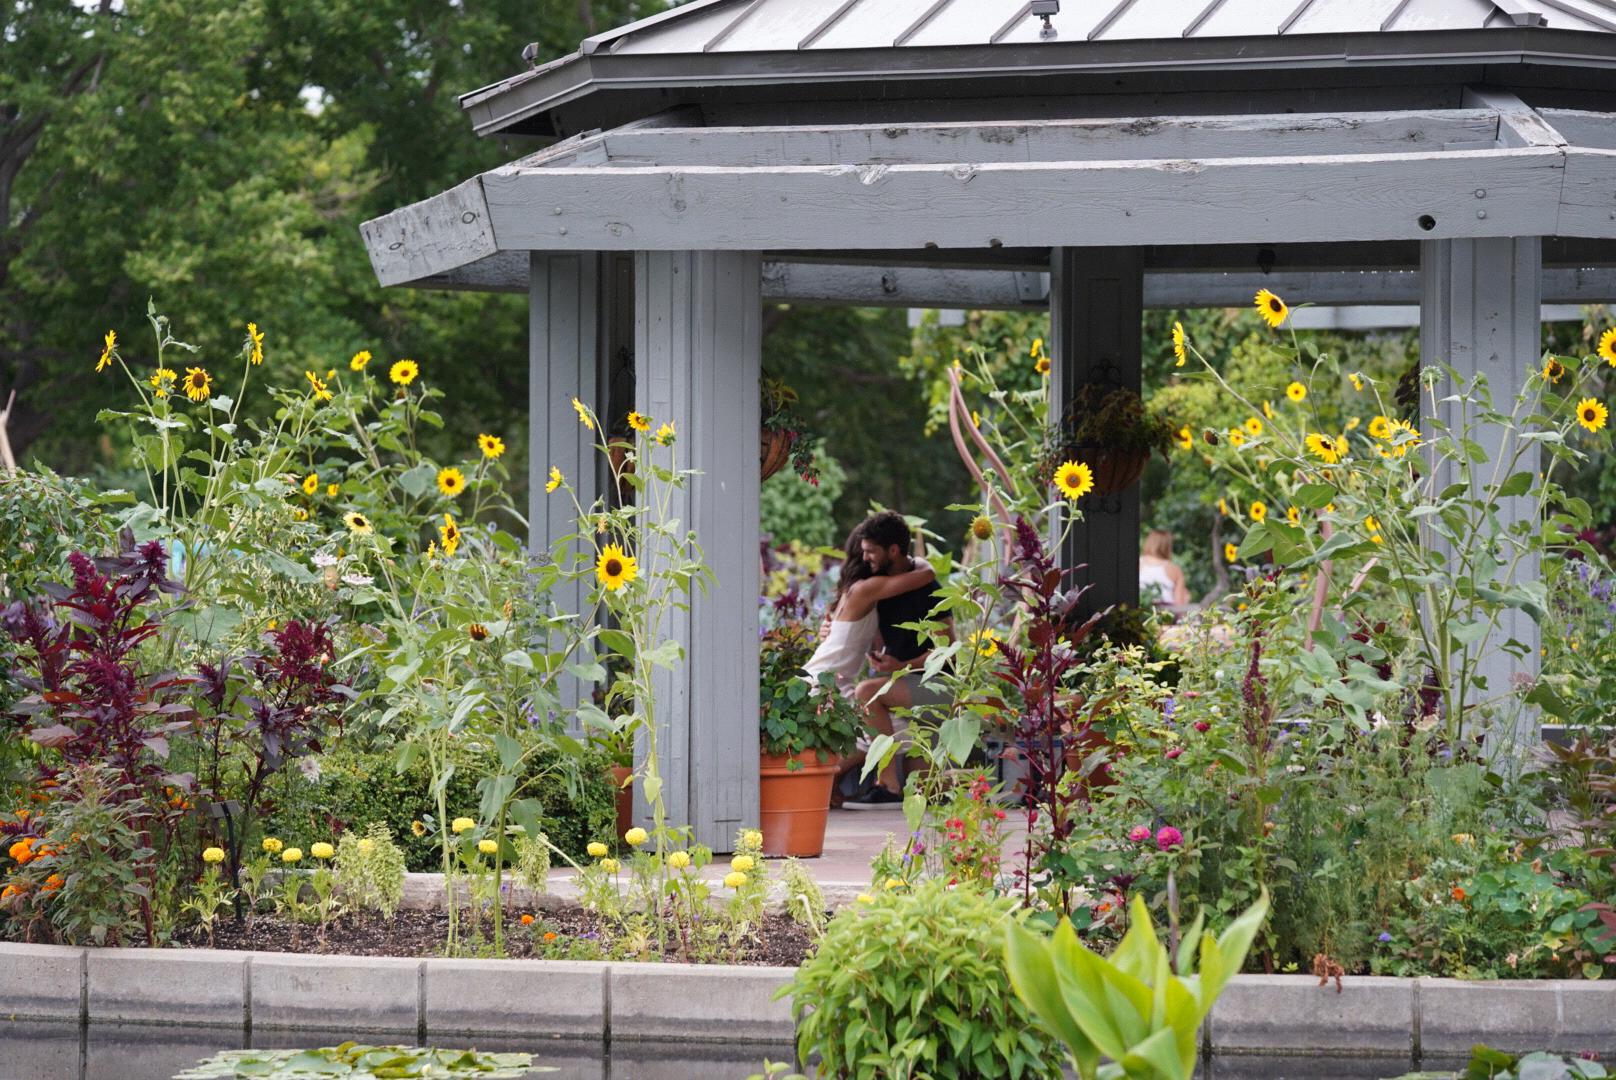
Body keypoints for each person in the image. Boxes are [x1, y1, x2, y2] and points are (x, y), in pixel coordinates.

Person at [840, 511, 951, 808]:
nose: (867, 558)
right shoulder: (884, 585)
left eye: (872, 552)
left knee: (866, 691)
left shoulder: (928, 590)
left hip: (937, 687)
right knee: (922, 797)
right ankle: (898, 786)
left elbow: (947, 648)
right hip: (902, 686)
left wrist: (901, 666)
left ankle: (887, 783)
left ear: (893, 550)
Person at [801, 522, 936, 699]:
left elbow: (875, 646)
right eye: (866, 551)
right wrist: (918, 561)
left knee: (887, 718)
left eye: (871, 551)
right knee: (890, 723)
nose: (867, 556)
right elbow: (926, 574)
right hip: (822, 687)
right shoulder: (866, 589)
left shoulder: (857, 592)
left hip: (825, 682)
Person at [1139, 528, 1190, 611]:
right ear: (1168, 546)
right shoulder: (1174, 569)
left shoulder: (1136, 564)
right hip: (1165, 616)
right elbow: (1179, 605)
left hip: (1140, 613)